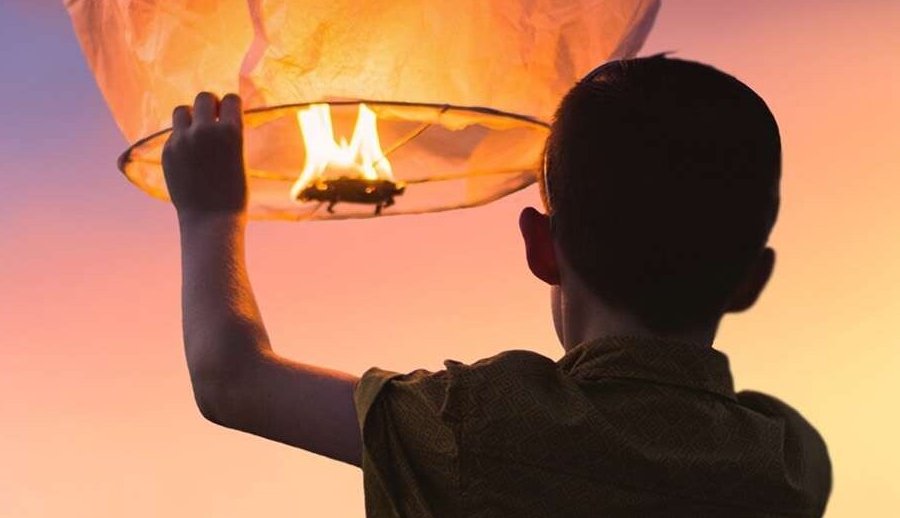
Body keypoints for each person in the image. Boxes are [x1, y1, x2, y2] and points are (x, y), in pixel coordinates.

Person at [164, 56, 830, 517]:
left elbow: (231, 379)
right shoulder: (790, 460)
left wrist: (209, 212)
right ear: (752, 279)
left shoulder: (482, 423)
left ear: (542, 247)